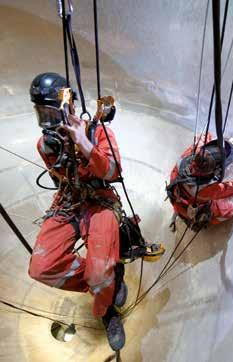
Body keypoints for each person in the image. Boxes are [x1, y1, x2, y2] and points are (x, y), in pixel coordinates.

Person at [27, 72, 164, 351]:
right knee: (42, 268)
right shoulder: (45, 145)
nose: (47, 122)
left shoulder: (97, 131)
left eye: (52, 113)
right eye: (42, 114)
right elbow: (59, 179)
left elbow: (113, 172)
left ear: (69, 107)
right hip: (70, 201)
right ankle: (105, 286)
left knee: (99, 271)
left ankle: (106, 308)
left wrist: (84, 144)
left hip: (100, 201)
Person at [167, 133, 233, 231]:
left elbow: (202, 139)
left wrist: (209, 136)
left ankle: (180, 211)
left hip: (175, 198)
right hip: (189, 210)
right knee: (231, 209)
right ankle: (207, 221)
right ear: (213, 171)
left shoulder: (187, 157)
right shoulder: (207, 189)